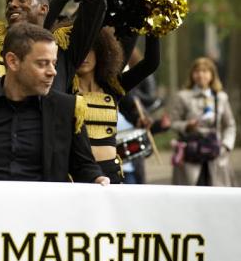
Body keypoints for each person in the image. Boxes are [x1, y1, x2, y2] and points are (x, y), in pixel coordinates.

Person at [0, 22, 109, 185]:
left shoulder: (67, 109)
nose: (52, 72)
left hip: (44, 212)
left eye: (54, 63)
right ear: (13, 61)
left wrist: (97, 178)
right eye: (42, 64)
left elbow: (83, 165)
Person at [75, 28, 160, 183]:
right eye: (81, 49)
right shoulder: (64, 87)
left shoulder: (113, 87)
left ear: (101, 52)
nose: (85, 56)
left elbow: (151, 63)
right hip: (77, 177)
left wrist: (152, 24)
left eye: (91, 50)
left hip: (112, 175)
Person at [170, 56, 236, 187]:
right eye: (197, 71)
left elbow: (230, 125)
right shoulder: (183, 97)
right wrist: (187, 126)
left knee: (217, 198)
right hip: (191, 155)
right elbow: (173, 122)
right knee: (191, 198)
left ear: (212, 75)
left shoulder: (221, 97)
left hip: (216, 155)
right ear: (192, 74)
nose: (201, 75)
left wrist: (226, 146)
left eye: (205, 71)